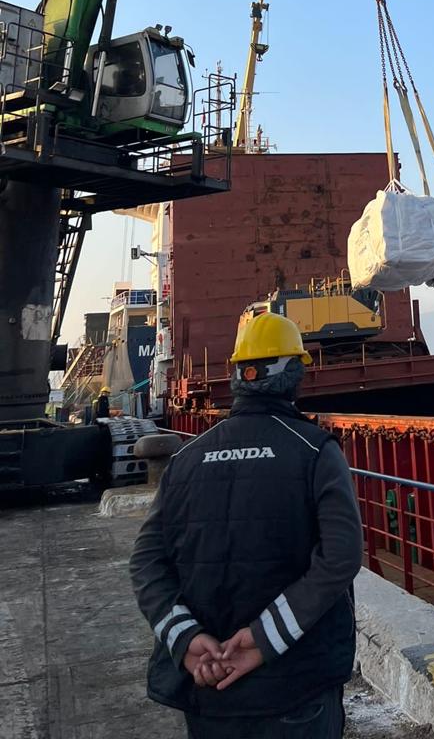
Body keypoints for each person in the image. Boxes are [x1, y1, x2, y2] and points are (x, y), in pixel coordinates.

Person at [129, 313, 363, 738]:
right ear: (295, 375)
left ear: (235, 375)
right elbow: (341, 557)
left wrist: (185, 641)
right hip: (297, 688)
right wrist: (261, 640)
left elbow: (146, 563)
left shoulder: (185, 460)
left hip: (208, 690)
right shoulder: (315, 452)